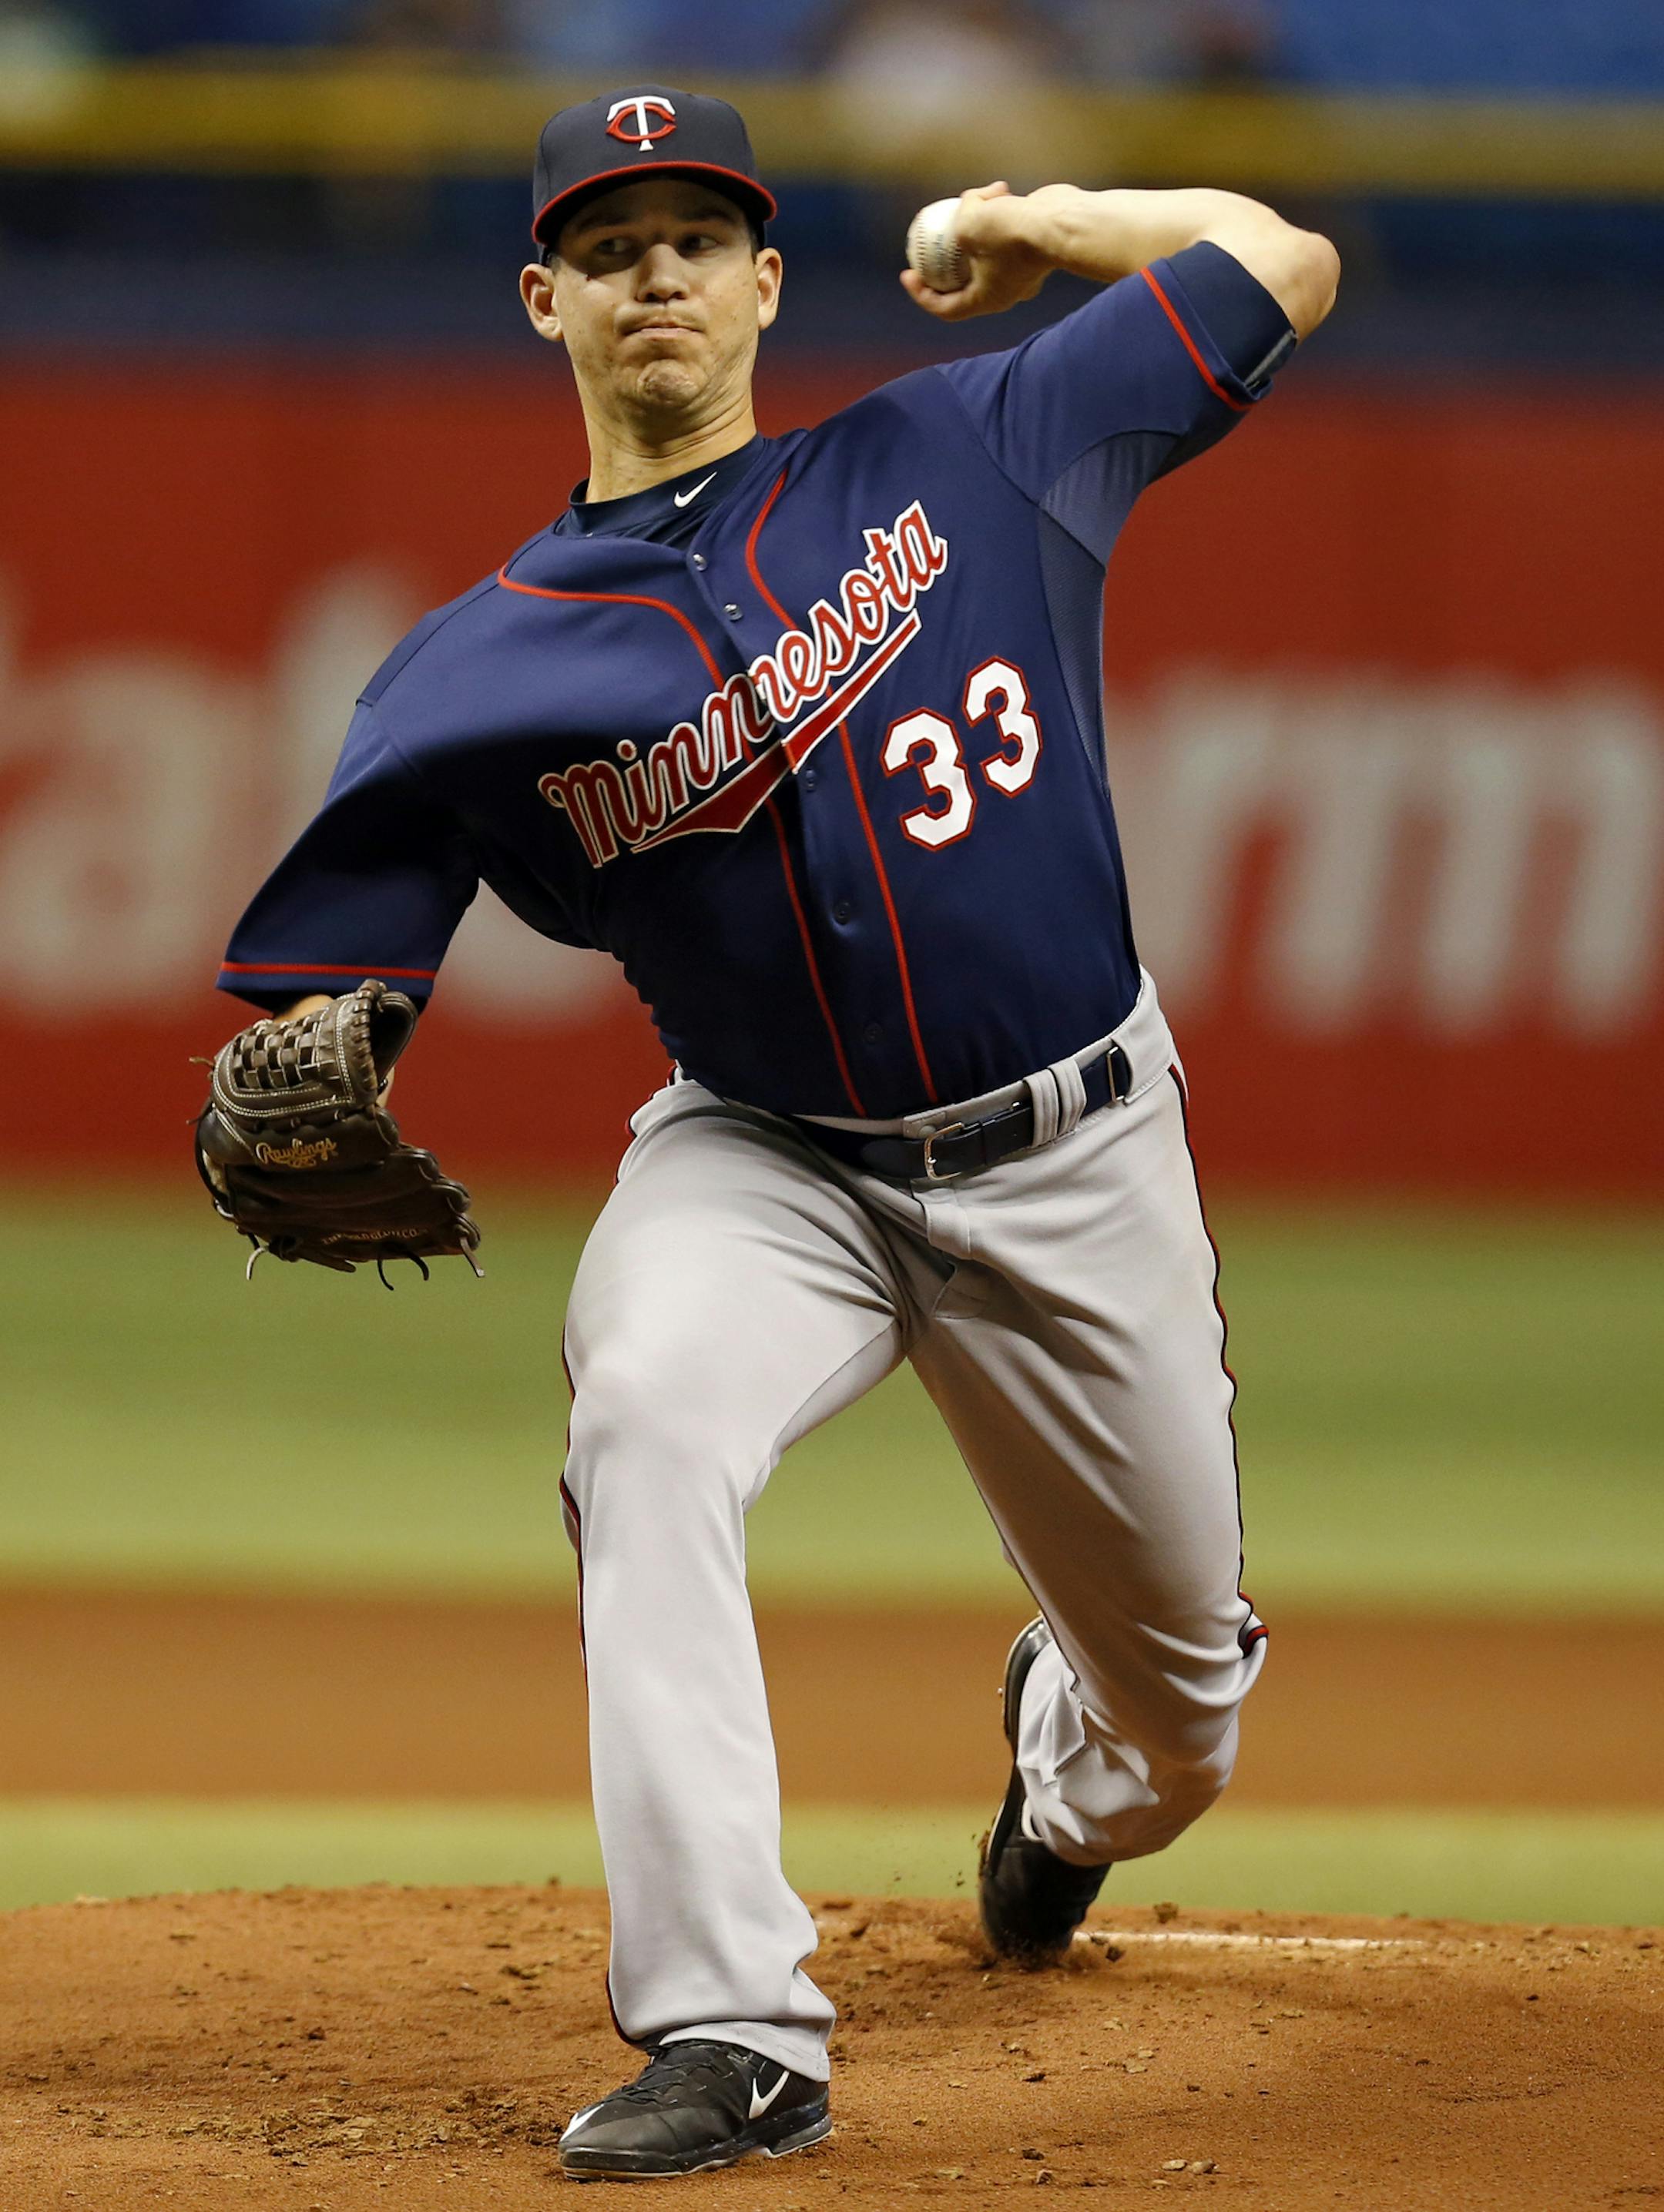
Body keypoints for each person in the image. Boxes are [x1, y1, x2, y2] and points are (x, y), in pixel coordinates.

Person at [214, 84, 1338, 2181]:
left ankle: (1064, 1765)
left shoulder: (974, 439)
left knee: (1178, 1731)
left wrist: (1037, 210)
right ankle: (734, 2029)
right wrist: (317, 1045)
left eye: (697, 235)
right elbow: (338, 965)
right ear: (540, 294)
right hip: (772, 1160)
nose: (658, 271)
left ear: (765, 281)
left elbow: (1282, 262)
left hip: (1076, 1153)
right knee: (641, 1410)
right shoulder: (475, 668)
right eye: (610, 242)